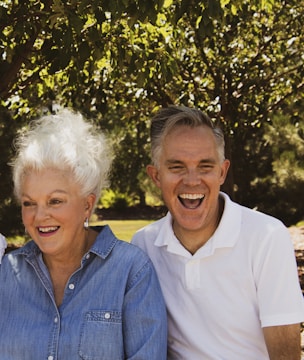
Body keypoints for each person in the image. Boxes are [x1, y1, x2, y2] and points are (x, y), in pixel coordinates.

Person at [132, 105, 304, 359]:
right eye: (177, 166)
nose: (192, 180)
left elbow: (286, 355)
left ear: (222, 172)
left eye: (205, 166)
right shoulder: (144, 246)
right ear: (156, 176)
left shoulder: (266, 236)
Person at [0, 109, 167, 360]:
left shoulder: (131, 272)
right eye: (29, 203)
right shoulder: (6, 274)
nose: (39, 216)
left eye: (55, 201)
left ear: (87, 205)